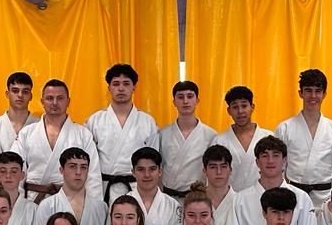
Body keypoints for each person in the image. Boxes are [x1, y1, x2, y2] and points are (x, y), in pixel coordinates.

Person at [16, 78, 102, 200]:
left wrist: (93, 207)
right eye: (49, 98)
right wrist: (18, 205)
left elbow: (93, 176)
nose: (55, 103)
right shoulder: (27, 133)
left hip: (71, 201)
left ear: (68, 101)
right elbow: (15, 170)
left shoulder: (83, 134)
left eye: (60, 98)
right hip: (33, 201)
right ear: (42, 101)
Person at [86, 63, 159, 201]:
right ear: (109, 88)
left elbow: (153, 161)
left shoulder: (147, 121)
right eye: (116, 84)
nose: (121, 88)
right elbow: (89, 163)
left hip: (137, 188)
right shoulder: (94, 121)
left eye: (126, 83)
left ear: (134, 88)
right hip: (103, 188)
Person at [274, 68, 332, 206]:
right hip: (293, 195)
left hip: (326, 198)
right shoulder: (284, 128)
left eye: (318, 91)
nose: (313, 96)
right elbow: (279, 167)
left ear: (324, 94)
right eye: (308, 90)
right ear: (300, 93)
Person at [229, 135, 316, 225]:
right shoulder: (240, 199)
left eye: (276, 155)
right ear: (257, 162)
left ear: (284, 160)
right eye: (265, 156)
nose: (270, 161)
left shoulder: (302, 198)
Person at [32, 146, 107, 225]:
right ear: (61, 170)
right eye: (72, 166)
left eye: (83, 167)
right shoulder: (47, 206)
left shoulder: (101, 207)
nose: (78, 172)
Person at [157, 79, 216, 197]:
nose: (185, 101)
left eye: (190, 96)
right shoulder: (162, 134)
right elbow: (157, 169)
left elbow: (212, 170)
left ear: (197, 100)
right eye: (180, 97)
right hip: (169, 196)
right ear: (174, 102)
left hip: (198, 198)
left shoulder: (210, 135)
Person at [216, 85, 266, 190]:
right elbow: (213, 178)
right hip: (230, 200)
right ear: (229, 111)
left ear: (252, 107)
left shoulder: (267, 137)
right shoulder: (219, 141)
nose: (240, 111)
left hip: (262, 199)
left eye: (244, 106)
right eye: (235, 107)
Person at [129, 146, 180, 225]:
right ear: (133, 172)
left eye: (152, 169)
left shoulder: (173, 206)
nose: (147, 175)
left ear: (160, 171)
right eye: (141, 169)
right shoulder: (122, 204)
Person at [200, 144, 246, 225]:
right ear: (204, 171)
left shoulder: (241, 203)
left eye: (223, 166)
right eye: (213, 167)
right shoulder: (195, 202)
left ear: (230, 170)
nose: (219, 172)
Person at [0, 70, 39, 153]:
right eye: (15, 91)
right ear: (7, 94)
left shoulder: (40, 126)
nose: (20, 95)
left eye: (25, 92)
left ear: (30, 96)